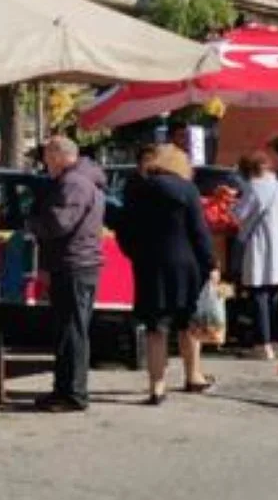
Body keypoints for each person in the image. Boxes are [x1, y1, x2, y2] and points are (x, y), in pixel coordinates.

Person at [115, 144, 215, 405]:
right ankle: (193, 375)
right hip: (186, 264)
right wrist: (211, 264)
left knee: (155, 328)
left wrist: (137, 254)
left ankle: (157, 386)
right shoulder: (187, 190)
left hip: (150, 265)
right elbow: (199, 232)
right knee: (188, 324)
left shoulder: (136, 190)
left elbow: (124, 231)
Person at [27, 136, 107, 413]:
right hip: (74, 262)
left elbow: (58, 222)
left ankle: (73, 393)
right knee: (68, 330)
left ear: (60, 155)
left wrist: (32, 223)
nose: (45, 163)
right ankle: (64, 389)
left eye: (48, 156)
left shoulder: (73, 183)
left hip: (75, 264)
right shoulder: (80, 180)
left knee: (72, 330)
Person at [233, 151, 278, 361]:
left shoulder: (253, 188)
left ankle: (262, 344)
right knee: (275, 295)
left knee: (259, 295)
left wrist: (234, 202)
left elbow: (238, 215)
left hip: (260, 247)